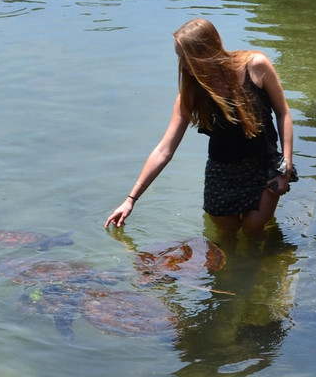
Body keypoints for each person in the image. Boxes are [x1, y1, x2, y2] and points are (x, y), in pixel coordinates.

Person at [105, 18, 295, 237]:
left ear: (206, 52)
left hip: (264, 166)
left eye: (186, 57)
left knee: (254, 230)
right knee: (225, 237)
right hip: (221, 173)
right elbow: (164, 150)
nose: (182, 64)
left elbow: (283, 113)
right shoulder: (191, 93)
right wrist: (131, 200)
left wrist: (286, 167)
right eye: (179, 56)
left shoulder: (255, 66)